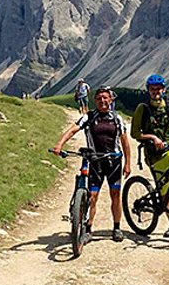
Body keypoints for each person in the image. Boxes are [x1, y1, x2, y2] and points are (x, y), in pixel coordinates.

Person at [51, 86, 133, 241]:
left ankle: (116, 228)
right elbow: (73, 130)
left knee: (115, 195)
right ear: (95, 101)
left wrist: (128, 163)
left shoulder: (117, 118)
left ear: (110, 100)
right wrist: (60, 144)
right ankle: (88, 229)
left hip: (114, 162)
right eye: (99, 98)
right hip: (95, 162)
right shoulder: (89, 117)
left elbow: (125, 142)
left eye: (105, 98)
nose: (102, 101)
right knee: (93, 196)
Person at [130, 74, 169, 215]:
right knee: (164, 191)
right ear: (148, 90)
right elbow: (135, 133)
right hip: (154, 155)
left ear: (164, 89)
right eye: (152, 89)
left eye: (158, 88)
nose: (156, 91)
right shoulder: (142, 109)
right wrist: (152, 137)